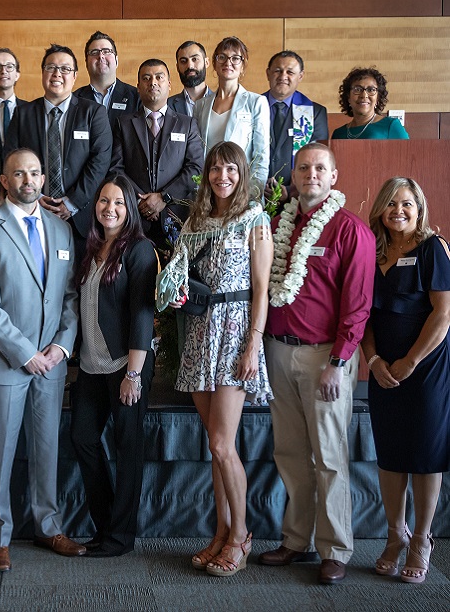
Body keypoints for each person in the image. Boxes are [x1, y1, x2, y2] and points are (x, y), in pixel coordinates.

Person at [260, 142, 376, 585]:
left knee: (329, 456)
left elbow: (358, 306)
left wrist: (338, 361)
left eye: (319, 168)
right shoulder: (279, 223)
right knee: (289, 452)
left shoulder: (350, 231)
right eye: (303, 167)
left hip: (325, 358)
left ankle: (336, 548)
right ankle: (296, 540)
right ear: (294, 175)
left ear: (334, 177)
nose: (311, 174)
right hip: (278, 351)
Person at [0, 148, 83, 572]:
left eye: (34, 173)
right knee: (1, 454)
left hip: (51, 363)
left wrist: (61, 347)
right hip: (7, 363)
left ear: (43, 177)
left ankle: (49, 526)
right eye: (19, 174)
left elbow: (71, 298)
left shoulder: (61, 231)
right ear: (4, 180)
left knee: (47, 448)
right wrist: (25, 353)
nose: (28, 180)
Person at [156, 141, 273, 576]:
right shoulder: (196, 221)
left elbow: (261, 290)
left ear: (242, 173)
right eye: (215, 169)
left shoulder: (255, 221)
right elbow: (180, 274)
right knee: (214, 444)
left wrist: (253, 344)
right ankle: (221, 532)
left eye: (231, 170)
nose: (222, 176)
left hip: (236, 330)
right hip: (201, 329)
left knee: (224, 444)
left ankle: (241, 534)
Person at [360, 177, 449, 584]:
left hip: (425, 367)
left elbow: (443, 314)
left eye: (408, 203)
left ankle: (422, 540)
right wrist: (374, 360)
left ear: (420, 208)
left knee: (425, 453)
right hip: (383, 368)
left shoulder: (433, 249)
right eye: (392, 203)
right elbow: (364, 315)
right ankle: (396, 534)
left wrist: (411, 362)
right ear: (381, 208)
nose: (399, 210)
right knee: (391, 451)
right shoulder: (372, 251)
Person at [70, 175, 157, 557]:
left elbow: (142, 314)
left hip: (126, 366)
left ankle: (120, 538)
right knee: (83, 438)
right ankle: (105, 526)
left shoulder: (139, 250)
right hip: (90, 366)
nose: (110, 208)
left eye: (119, 202)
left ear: (131, 208)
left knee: (128, 449)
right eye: (104, 201)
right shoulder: (90, 248)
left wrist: (133, 375)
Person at [4, 44, 113, 245]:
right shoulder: (23, 114)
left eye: (65, 69)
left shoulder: (93, 112)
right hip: (33, 210)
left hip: (81, 215)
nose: (57, 74)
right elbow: (11, 160)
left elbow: (101, 160)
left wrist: (72, 202)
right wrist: (34, 198)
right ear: (42, 73)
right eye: (51, 67)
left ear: (75, 76)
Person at [110, 58, 204, 253]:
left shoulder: (187, 124)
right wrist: (141, 202)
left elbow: (195, 168)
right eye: (146, 78)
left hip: (177, 216)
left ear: (169, 84)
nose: (152, 82)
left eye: (159, 77)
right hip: (134, 216)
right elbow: (116, 169)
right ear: (138, 86)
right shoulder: (123, 123)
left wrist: (164, 197)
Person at [193, 37, 269, 198]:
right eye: (222, 57)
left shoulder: (256, 102)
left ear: (243, 66)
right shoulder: (200, 105)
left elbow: (261, 156)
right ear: (214, 63)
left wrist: (252, 195)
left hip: (242, 191)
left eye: (235, 58)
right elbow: (196, 153)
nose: (228, 62)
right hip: (209, 189)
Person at [262, 51, 328, 201]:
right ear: (268, 74)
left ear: (300, 76)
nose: (283, 76)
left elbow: (317, 159)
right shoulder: (251, 107)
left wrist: (290, 191)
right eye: (277, 70)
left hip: (296, 198)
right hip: (254, 194)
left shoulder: (315, 112)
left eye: (290, 72)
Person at [73, 31, 140, 124]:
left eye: (106, 51)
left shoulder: (137, 97)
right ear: (86, 63)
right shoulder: (74, 100)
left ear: (116, 60)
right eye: (94, 52)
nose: (101, 56)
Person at [331, 67, 409, 140]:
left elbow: (408, 153)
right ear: (348, 97)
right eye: (357, 89)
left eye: (371, 90)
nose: (364, 95)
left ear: (378, 97)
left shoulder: (391, 126)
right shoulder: (338, 134)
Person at [167, 40, 214, 117]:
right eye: (183, 61)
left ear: (206, 62)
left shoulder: (221, 102)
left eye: (194, 59)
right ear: (177, 67)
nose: (189, 66)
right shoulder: (167, 106)